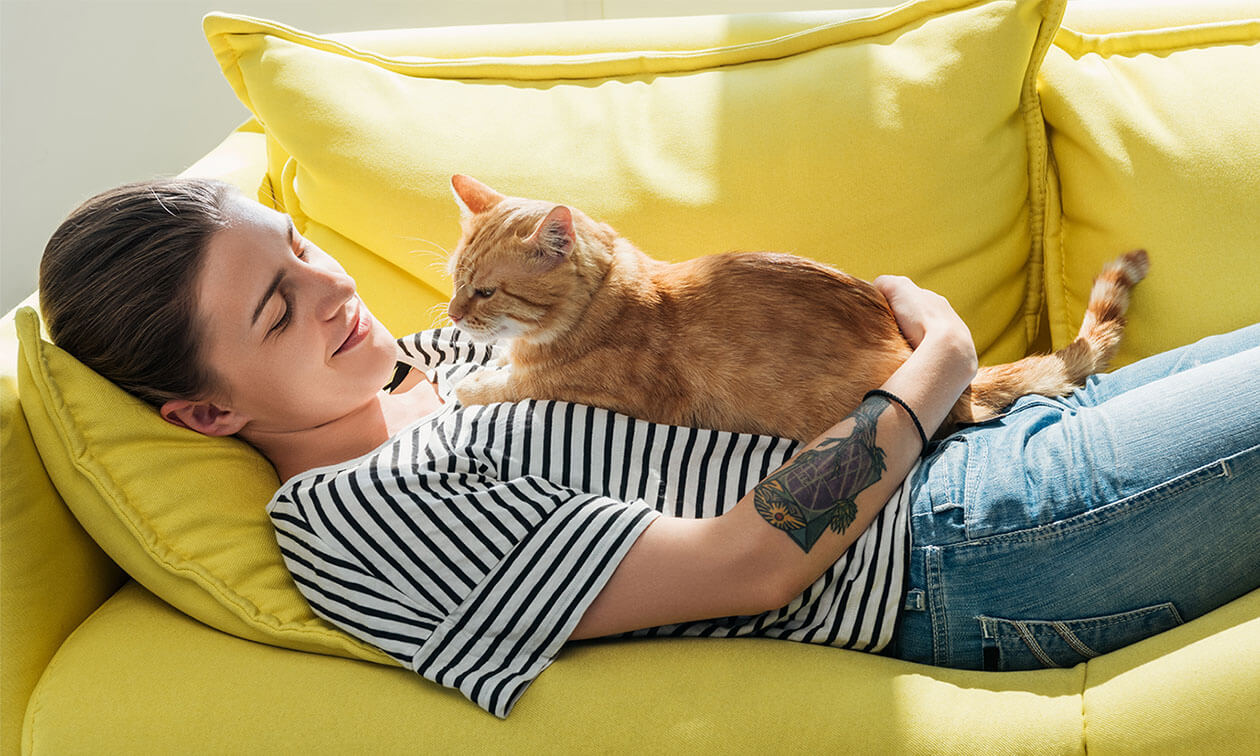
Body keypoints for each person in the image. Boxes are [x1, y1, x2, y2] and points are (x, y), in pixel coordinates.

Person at [39, 178, 1259, 717]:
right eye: (274, 308)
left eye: (299, 246)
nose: (330, 288)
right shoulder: (356, 515)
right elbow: (746, 567)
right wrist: (936, 370)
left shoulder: (433, 360)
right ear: (204, 415)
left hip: (988, 444)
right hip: (969, 544)